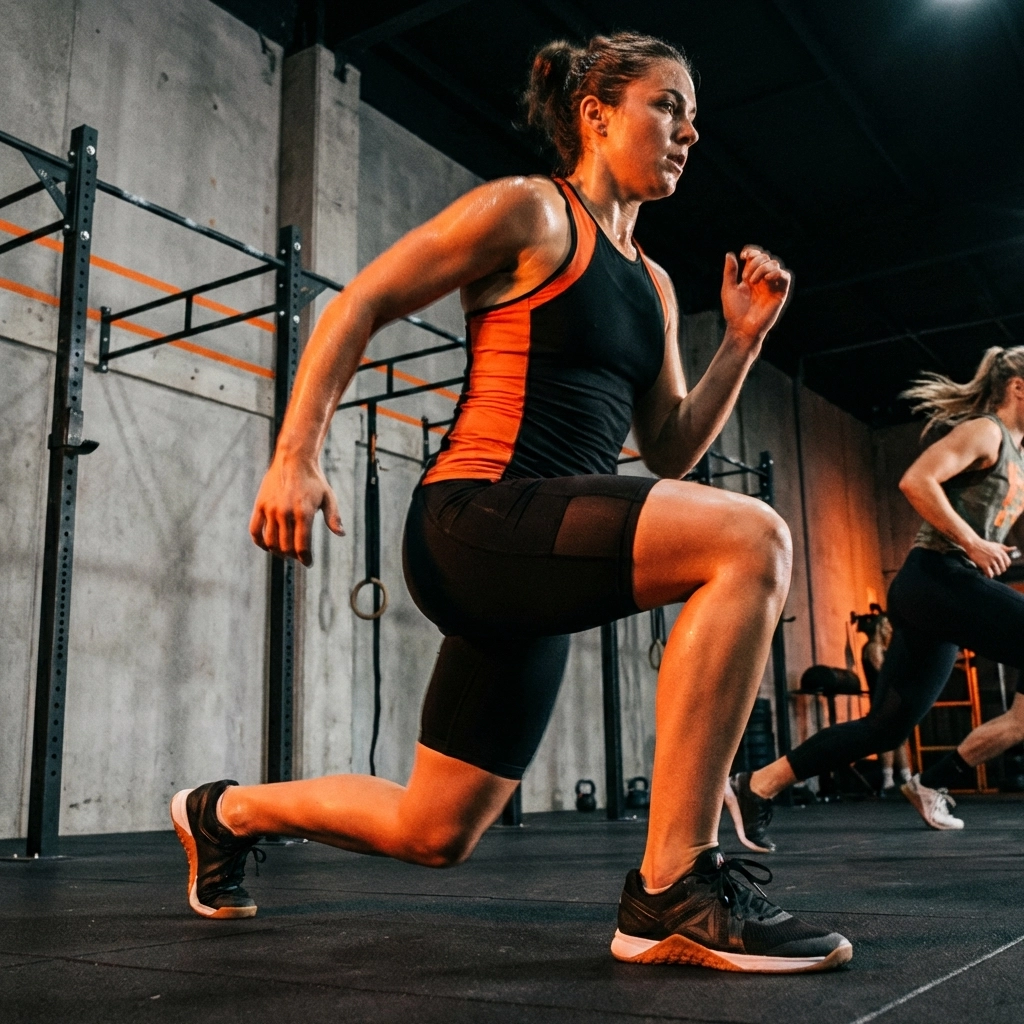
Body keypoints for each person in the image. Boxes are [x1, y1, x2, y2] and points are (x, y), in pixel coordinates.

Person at [170, 32, 851, 973]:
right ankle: (671, 886)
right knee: (755, 540)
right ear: (598, 112)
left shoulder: (653, 283)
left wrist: (739, 341)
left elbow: (670, 448)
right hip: (475, 519)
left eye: (695, 118)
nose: (689, 131)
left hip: (537, 550)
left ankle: (222, 812)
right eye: (668, 105)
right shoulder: (532, 212)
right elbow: (360, 301)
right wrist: (294, 457)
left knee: (434, 828)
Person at [729, 347, 1024, 843]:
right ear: (1019, 387)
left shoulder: (1017, 454)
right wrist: (973, 543)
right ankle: (937, 780)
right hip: (935, 578)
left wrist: (989, 547)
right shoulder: (986, 431)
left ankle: (756, 785)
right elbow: (916, 480)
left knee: (885, 729)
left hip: (942, 594)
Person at [856, 607, 912, 795]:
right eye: (886, 624)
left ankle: (907, 779)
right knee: (887, 737)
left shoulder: (885, 648)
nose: (889, 628)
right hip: (882, 698)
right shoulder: (872, 648)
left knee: (899, 737)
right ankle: (887, 781)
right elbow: (883, 673)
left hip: (892, 696)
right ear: (879, 627)